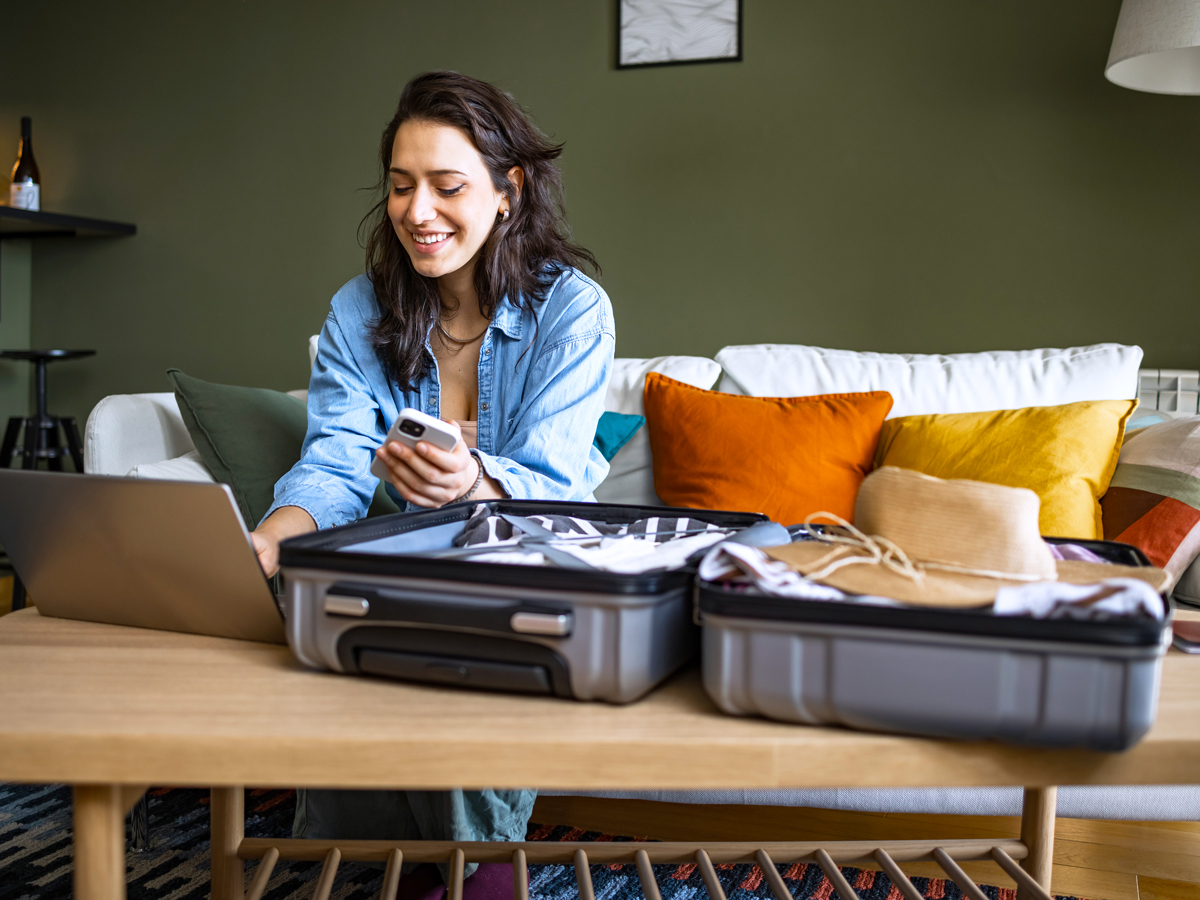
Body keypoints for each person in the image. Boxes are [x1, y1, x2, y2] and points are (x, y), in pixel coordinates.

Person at [251, 71, 614, 899]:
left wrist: (475, 479)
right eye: (401, 186)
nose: (418, 212)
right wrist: (270, 541)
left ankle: (470, 870)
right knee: (327, 589)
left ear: (506, 192)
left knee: (450, 611)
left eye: (447, 187)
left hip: (528, 561)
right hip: (393, 566)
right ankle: (402, 867)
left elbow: (554, 484)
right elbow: (337, 457)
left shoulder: (573, 311)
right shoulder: (359, 308)